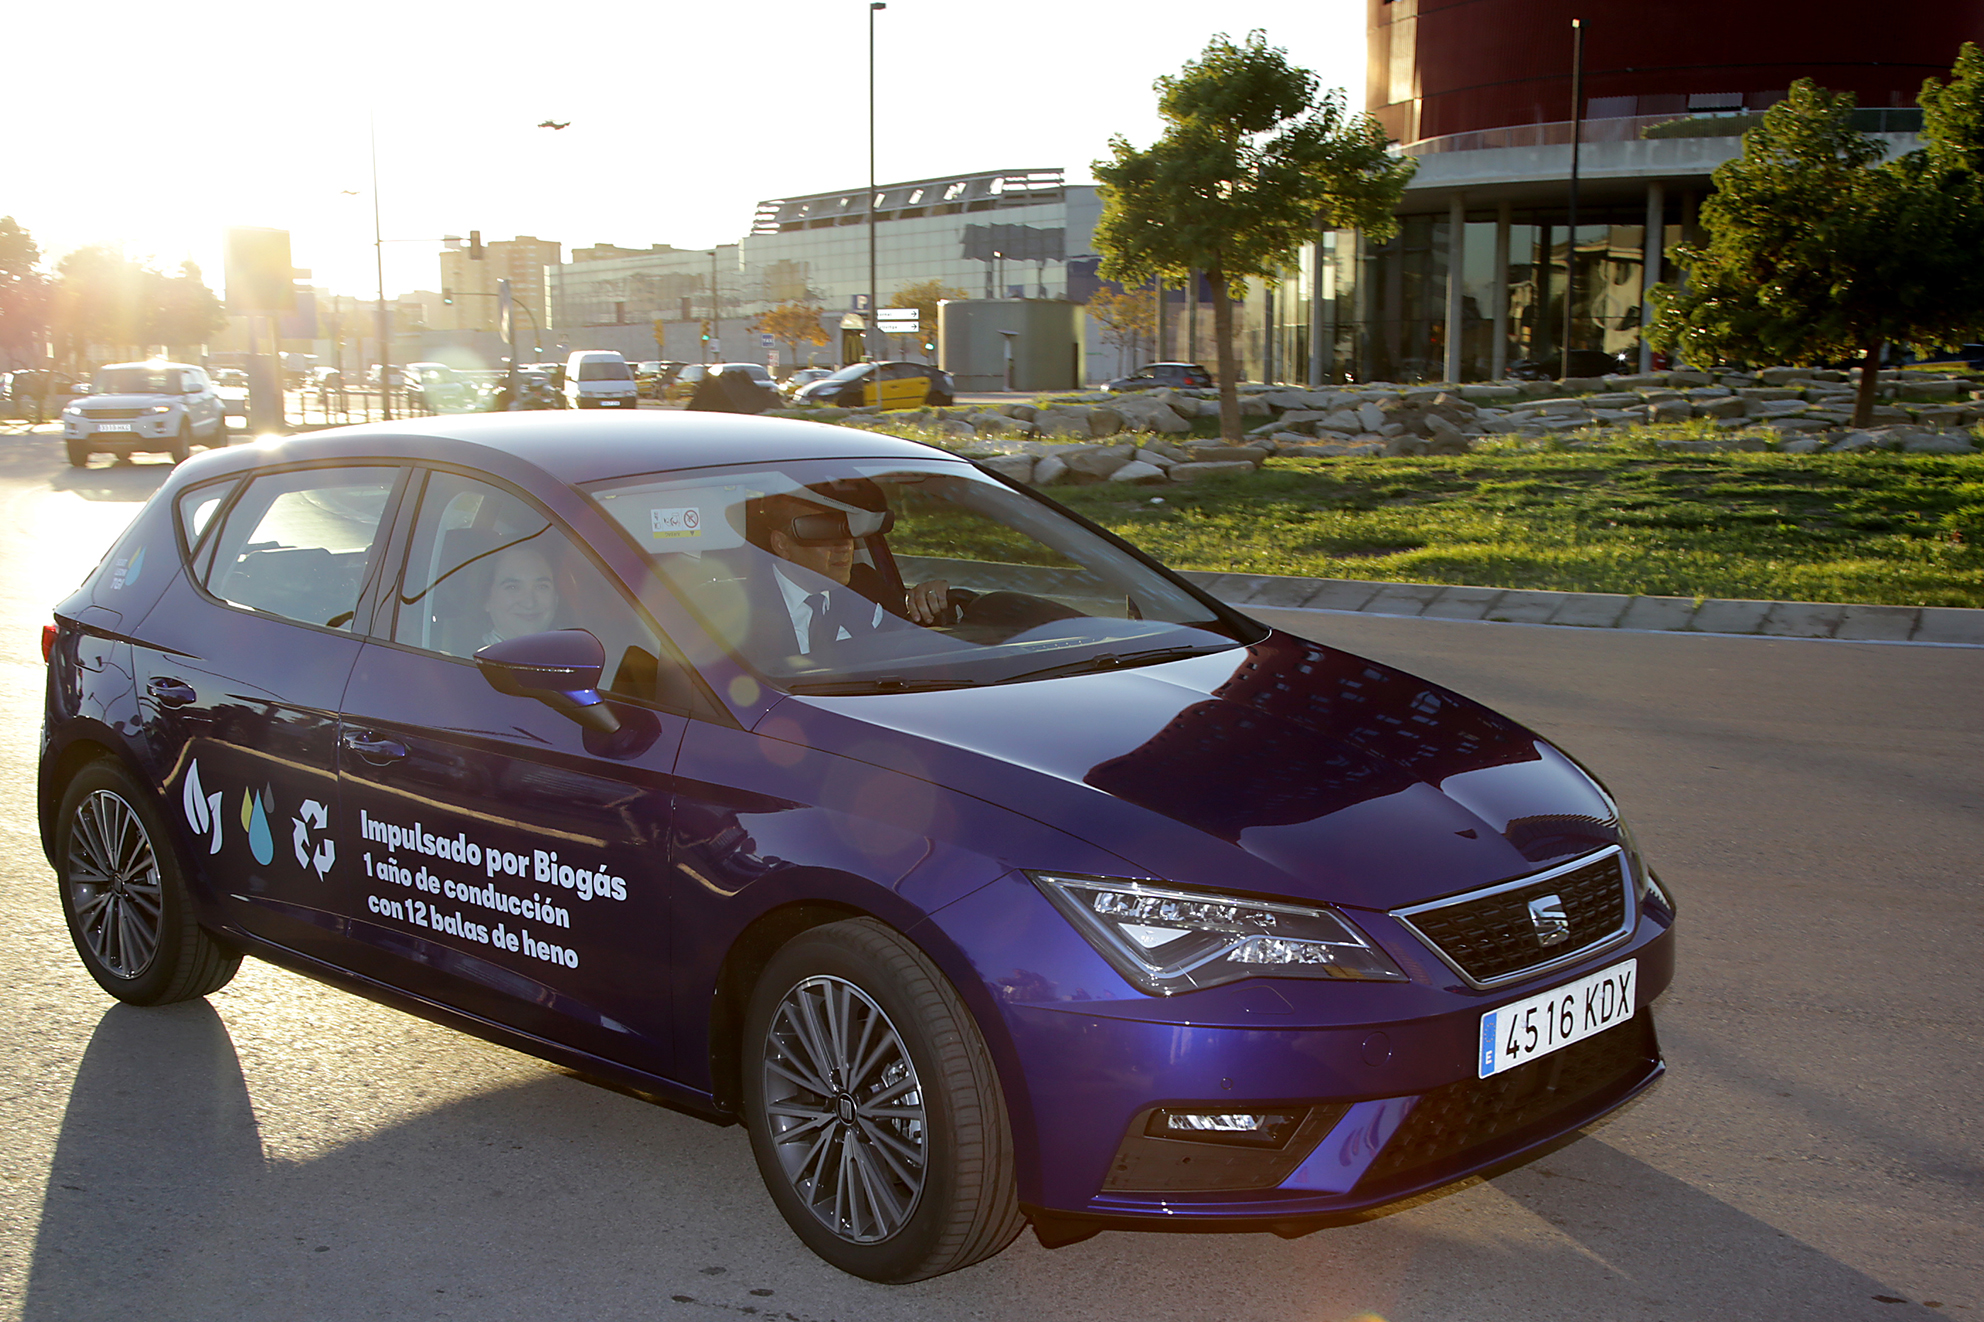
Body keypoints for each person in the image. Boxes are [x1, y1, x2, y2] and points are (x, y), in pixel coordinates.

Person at [744, 488, 953, 656]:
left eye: (846, 529)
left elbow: (907, 643)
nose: (844, 546)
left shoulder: (866, 588)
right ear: (782, 545)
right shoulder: (741, 609)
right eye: (823, 531)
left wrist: (929, 601)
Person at [481, 542, 559, 645]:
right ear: (486, 599)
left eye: (541, 587)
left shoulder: (576, 653)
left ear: (556, 598)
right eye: (512, 587)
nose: (529, 603)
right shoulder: (463, 657)